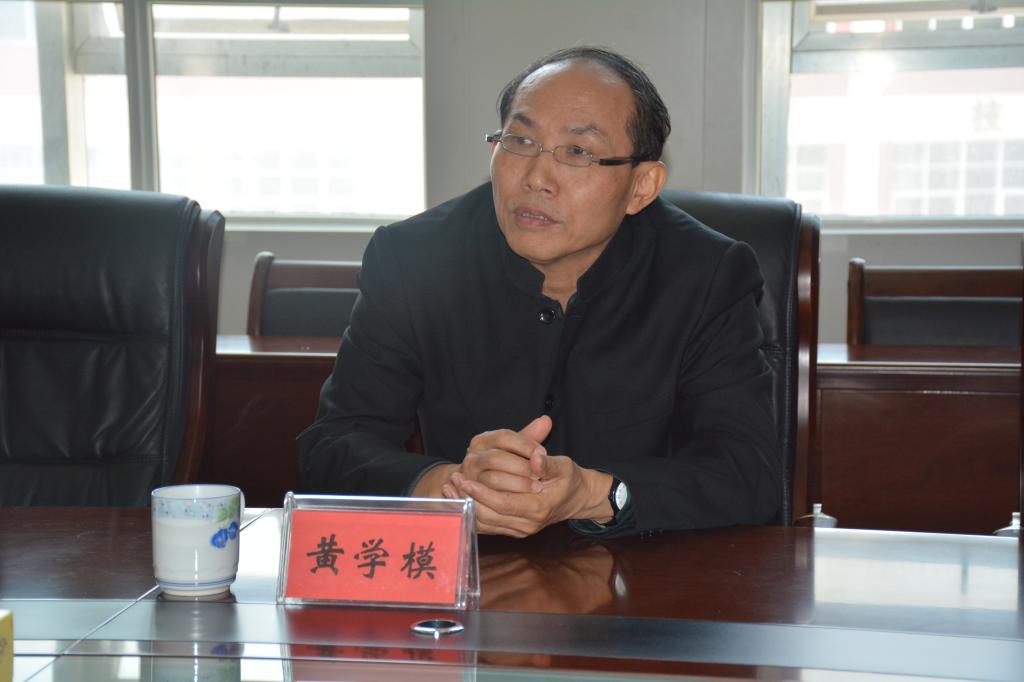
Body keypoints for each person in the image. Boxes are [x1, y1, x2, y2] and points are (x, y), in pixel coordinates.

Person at [298, 46, 781, 538]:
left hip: (645, 570)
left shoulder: (705, 275)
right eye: (520, 141)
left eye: (578, 152)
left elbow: (750, 474)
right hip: (474, 569)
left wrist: (592, 494)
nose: (535, 179)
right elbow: (332, 447)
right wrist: (453, 488)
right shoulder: (413, 259)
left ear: (642, 186)